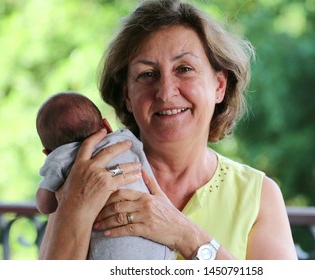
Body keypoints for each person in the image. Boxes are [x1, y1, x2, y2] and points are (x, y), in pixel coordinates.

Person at [39, 0, 297, 260]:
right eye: (147, 74)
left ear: (219, 86)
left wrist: (185, 235)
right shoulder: (87, 176)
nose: (165, 91)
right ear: (127, 95)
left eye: (184, 69)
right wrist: (76, 208)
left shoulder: (258, 196)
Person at [35, 91, 176, 259]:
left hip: (109, 251)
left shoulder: (59, 158)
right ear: (107, 126)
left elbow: (45, 205)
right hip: (158, 250)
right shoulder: (125, 139)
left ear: (47, 152)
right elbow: (146, 174)